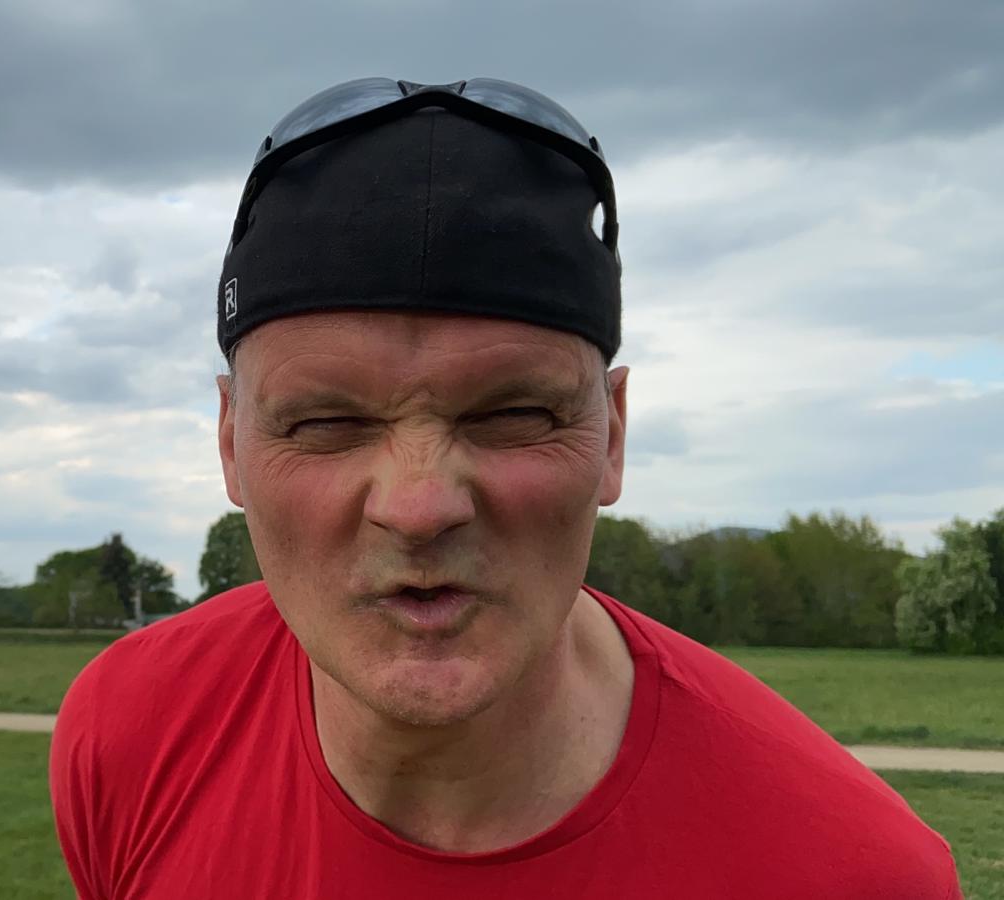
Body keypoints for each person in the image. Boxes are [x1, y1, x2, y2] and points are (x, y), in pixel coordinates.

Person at [49, 78, 961, 899]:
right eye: (325, 423)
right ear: (230, 444)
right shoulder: (129, 734)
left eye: (515, 414)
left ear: (613, 436)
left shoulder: (855, 874)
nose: (418, 507)